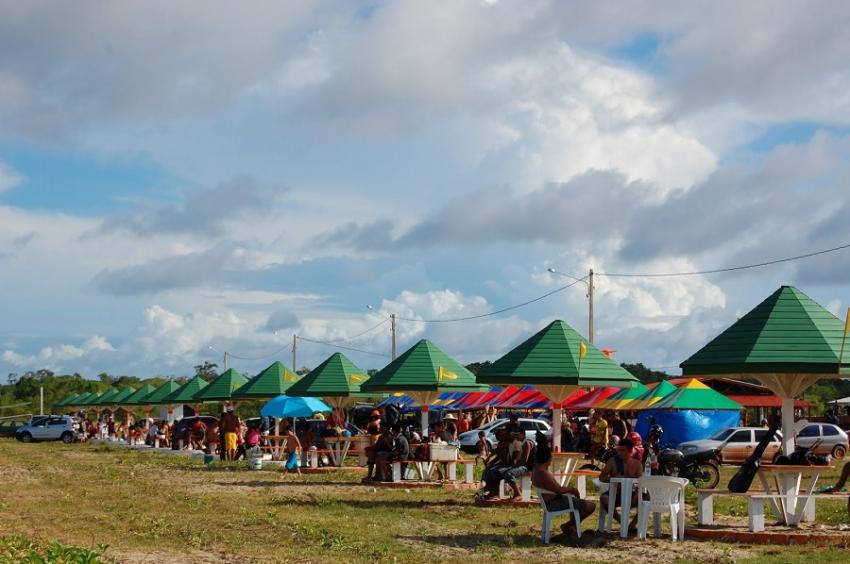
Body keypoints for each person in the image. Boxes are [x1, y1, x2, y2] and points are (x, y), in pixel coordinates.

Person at [532, 431, 595, 538]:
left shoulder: (537, 470)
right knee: (591, 506)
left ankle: (572, 527)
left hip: (551, 501)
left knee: (575, 504)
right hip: (554, 503)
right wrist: (572, 489)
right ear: (548, 458)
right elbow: (559, 490)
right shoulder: (543, 473)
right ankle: (568, 525)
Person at [599, 437, 644, 533]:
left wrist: (631, 481)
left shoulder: (637, 464)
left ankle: (632, 525)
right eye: (619, 450)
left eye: (623, 450)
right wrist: (614, 479)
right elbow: (601, 477)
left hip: (632, 494)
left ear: (630, 451)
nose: (620, 453)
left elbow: (640, 482)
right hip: (617, 494)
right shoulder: (612, 461)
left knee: (646, 498)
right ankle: (622, 522)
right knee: (604, 498)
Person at [501, 431, 536, 499]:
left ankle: (518, 493)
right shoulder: (521, 443)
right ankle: (516, 492)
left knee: (509, 474)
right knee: (502, 472)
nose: (515, 436)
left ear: (522, 434)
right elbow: (517, 459)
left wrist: (513, 466)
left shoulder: (526, 443)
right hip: (525, 467)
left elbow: (524, 461)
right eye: (514, 435)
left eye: (517, 434)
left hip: (528, 468)